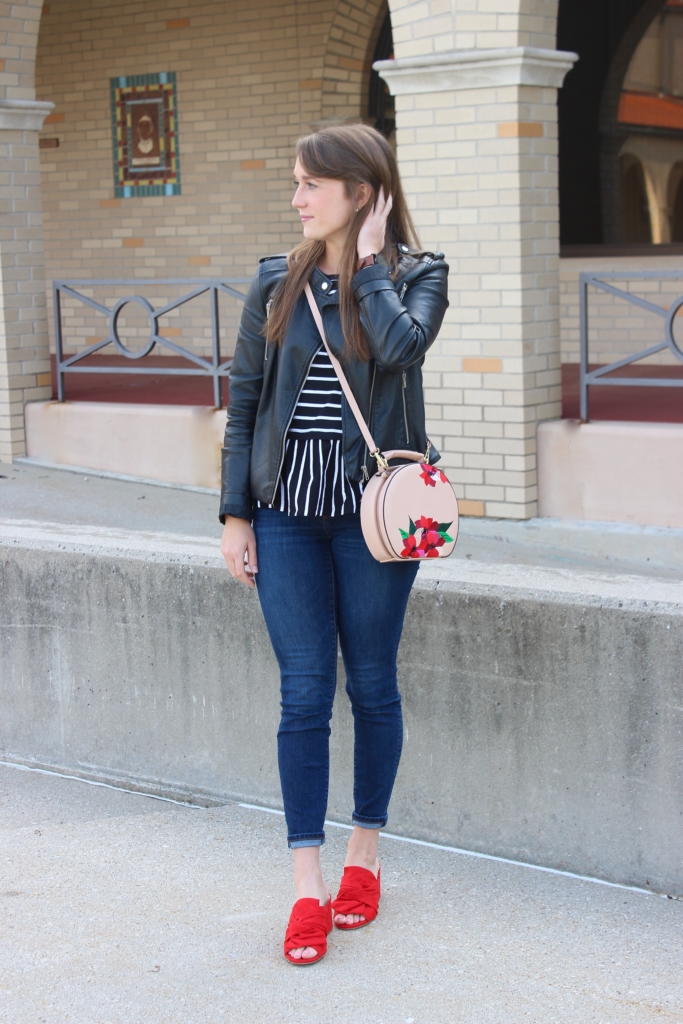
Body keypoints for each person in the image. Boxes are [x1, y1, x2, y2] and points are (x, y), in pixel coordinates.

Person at [220, 123, 449, 965]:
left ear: (362, 191)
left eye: (311, 183)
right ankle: (305, 886)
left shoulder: (417, 277)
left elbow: (401, 349)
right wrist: (233, 515)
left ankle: (365, 858)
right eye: (295, 182)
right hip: (284, 513)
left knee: (375, 686)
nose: (296, 197)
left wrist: (371, 262)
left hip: (375, 516)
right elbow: (244, 401)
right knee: (304, 694)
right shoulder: (274, 281)